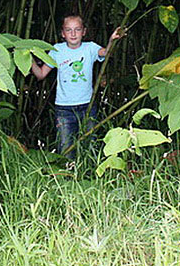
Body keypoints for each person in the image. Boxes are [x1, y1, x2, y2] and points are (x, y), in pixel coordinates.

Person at [31, 14, 124, 159]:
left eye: (77, 29)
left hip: (87, 106)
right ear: (62, 33)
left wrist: (112, 39)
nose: (73, 34)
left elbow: (106, 53)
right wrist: (27, 58)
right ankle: (67, 176)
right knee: (65, 148)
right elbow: (41, 74)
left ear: (84, 31)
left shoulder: (90, 48)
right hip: (64, 109)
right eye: (68, 30)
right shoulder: (57, 50)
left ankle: (88, 176)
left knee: (90, 146)